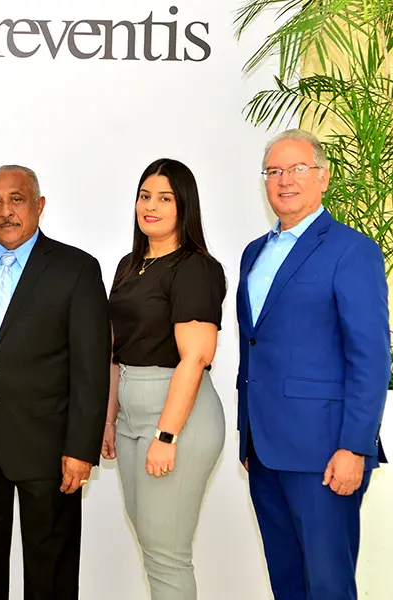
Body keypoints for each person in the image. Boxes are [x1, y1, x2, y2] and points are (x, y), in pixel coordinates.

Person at [0, 165, 110, 600]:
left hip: (51, 450)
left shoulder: (77, 268)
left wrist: (81, 448)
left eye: (16, 199)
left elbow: (91, 367)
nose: (5, 211)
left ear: (39, 205)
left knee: (51, 573)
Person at [238, 129, 389, 600]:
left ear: (322, 178)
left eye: (298, 169)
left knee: (327, 585)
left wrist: (355, 448)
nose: (285, 180)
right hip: (264, 450)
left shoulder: (351, 249)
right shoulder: (253, 253)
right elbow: (254, 347)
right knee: (287, 583)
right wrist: (247, 434)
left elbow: (370, 358)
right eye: (274, 171)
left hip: (325, 453)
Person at [102, 158, 227, 600]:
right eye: (144, 195)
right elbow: (115, 350)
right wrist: (109, 417)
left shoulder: (194, 268)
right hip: (132, 413)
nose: (149, 206)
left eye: (164, 198)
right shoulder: (128, 265)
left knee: (166, 550)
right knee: (150, 541)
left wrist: (167, 435)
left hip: (178, 414)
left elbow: (194, 358)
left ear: (184, 206)